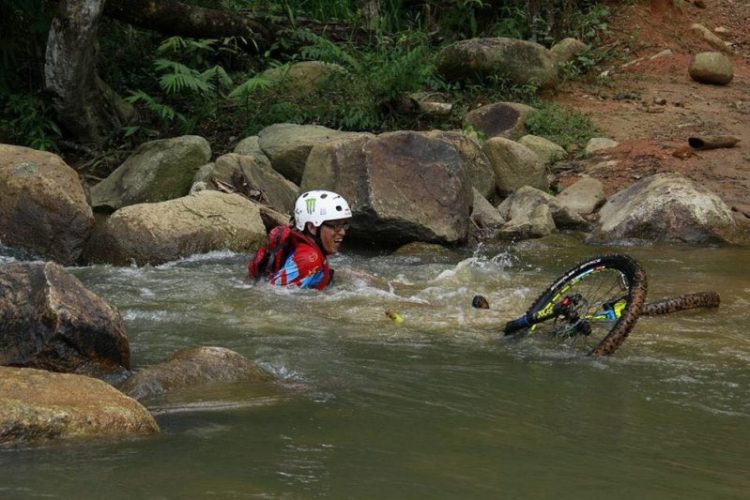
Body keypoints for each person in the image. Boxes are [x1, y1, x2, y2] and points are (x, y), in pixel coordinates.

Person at [267, 190, 352, 290]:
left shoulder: (311, 252)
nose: (343, 232)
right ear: (312, 227)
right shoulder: (308, 260)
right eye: (336, 226)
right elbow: (270, 292)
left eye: (344, 225)